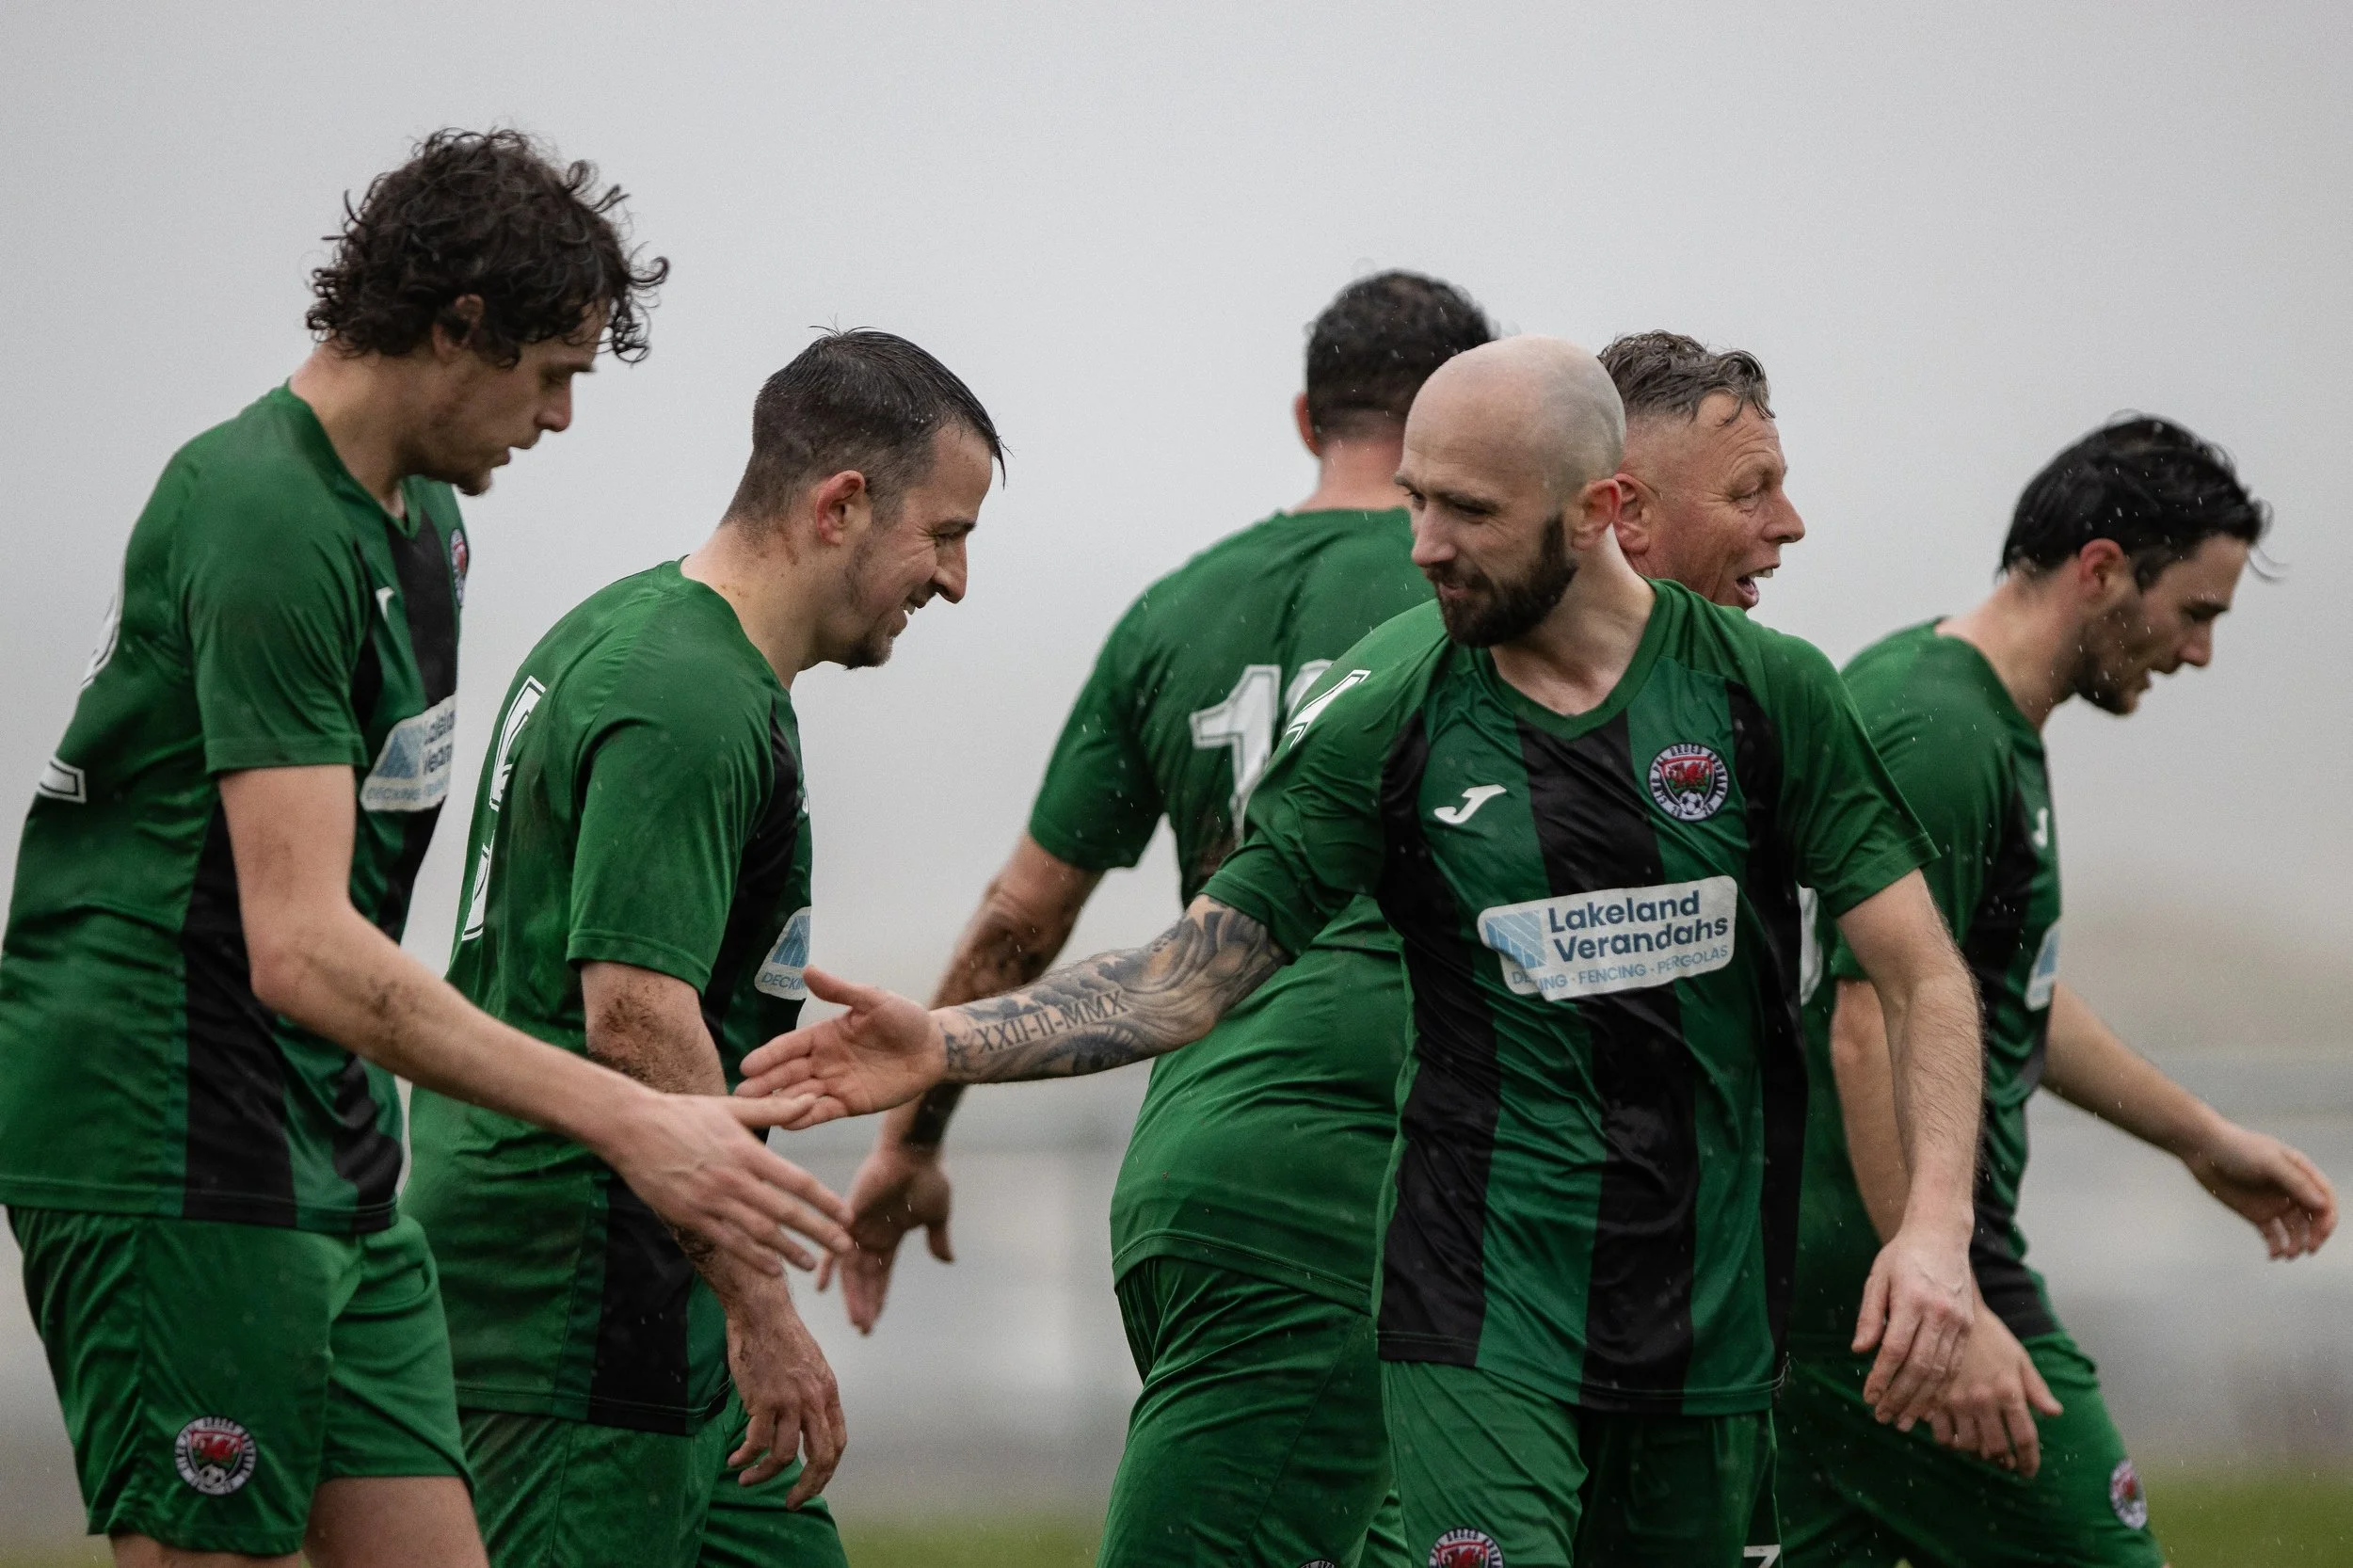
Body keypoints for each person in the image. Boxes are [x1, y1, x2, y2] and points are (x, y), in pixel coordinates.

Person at [741, 337, 1992, 1565]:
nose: (1426, 544)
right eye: (1417, 500)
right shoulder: (1391, 704)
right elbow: (1200, 968)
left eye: (1470, 511)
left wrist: (1933, 1231)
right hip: (1474, 1309)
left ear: (1603, 510)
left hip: (1705, 1312)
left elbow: (1924, 974)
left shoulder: (1766, 693)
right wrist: (946, 1040)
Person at [0, 131, 848, 1568]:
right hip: (168, 1124)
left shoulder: (431, 524)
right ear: (460, 328)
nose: (564, 417)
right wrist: (627, 1112)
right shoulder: (268, 516)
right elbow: (304, 945)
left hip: (323, 1138)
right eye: (554, 371)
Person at [824, 270, 1492, 1568]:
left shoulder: (1175, 612)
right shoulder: (1474, 604)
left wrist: (911, 1139)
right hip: (1357, 1170)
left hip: (1190, 1158)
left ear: (1309, 417)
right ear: (1462, 440)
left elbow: (1020, 919)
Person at [405, 330, 1000, 1568]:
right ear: (840, 506)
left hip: (656, 1280)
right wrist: (764, 1306)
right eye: (945, 535)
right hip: (580, 1299)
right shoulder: (688, 693)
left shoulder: (656, 637)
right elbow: (631, 1014)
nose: (953, 581)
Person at [1777, 416, 2339, 1566]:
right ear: (2100, 570)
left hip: (1874, 1272)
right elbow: (1863, 1030)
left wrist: (2199, 1137)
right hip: (1893, 1283)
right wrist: (1944, 1302)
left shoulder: (1980, 716)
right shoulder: (1937, 731)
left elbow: (2002, 992)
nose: (2198, 656)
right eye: (2196, 613)